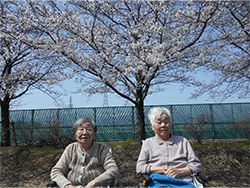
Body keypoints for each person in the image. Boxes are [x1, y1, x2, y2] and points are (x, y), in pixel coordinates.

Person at [136, 107, 201, 184]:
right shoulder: (148, 143)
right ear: (152, 126)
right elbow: (139, 167)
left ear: (170, 123)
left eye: (166, 121)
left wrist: (180, 171)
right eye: (159, 122)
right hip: (159, 182)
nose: (163, 125)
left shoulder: (183, 141)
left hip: (183, 181)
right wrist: (161, 170)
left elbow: (196, 165)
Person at [51, 117, 119, 188]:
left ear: (94, 133)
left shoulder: (101, 149)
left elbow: (113, 169)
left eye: (89, 129)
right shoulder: (71, 149)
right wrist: (67, 185)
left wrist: (94, 182)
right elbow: (56, 171)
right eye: (81, 129)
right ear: (75, 134)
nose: (84, 132)